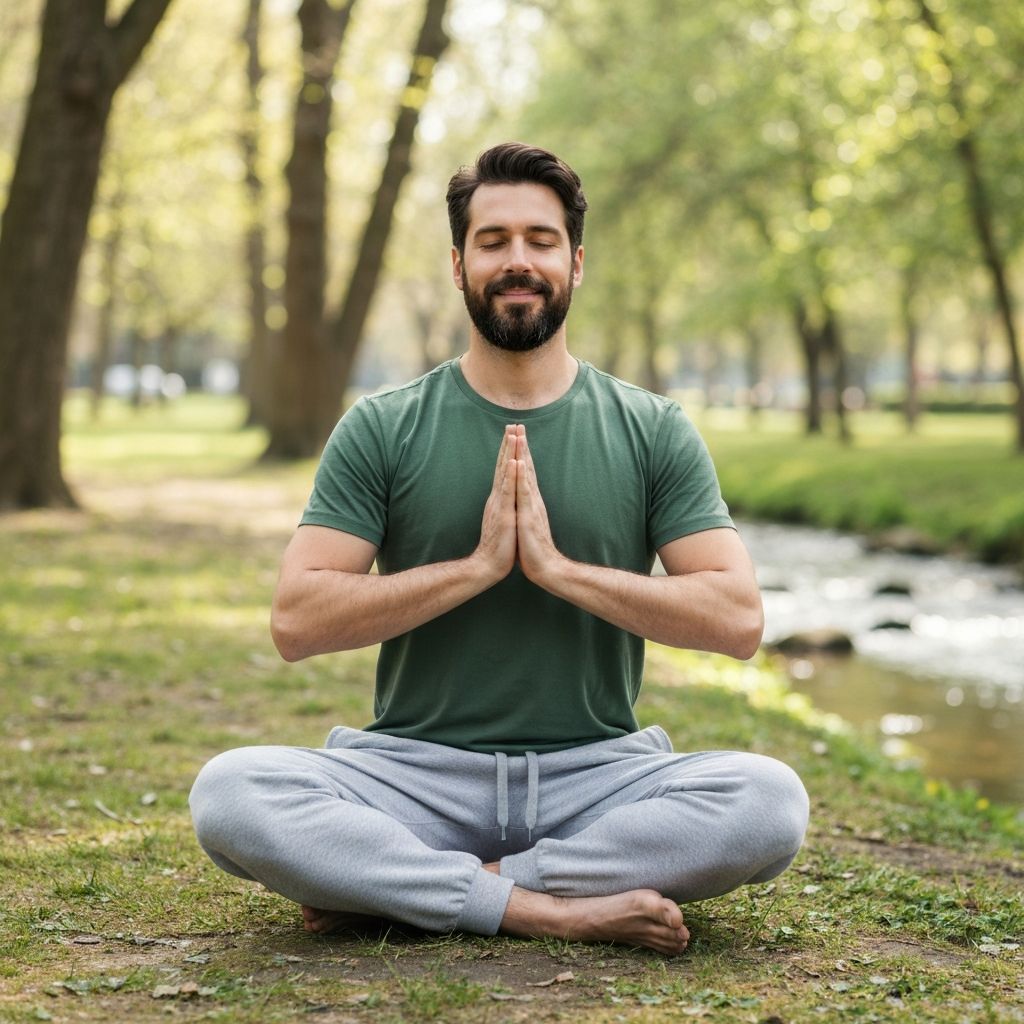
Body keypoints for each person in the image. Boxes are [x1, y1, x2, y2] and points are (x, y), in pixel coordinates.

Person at [189, 142, 809, 956]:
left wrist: (558, 571)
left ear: (576, 262)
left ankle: (414, 887)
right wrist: (476, 569)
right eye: (493, 241)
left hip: (599, 777)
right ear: (458, 265)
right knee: (230, 792)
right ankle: (546, 906)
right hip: (413, 775)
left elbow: (736, 620)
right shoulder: (382, 426)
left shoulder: (653, 429)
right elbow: (298, 620)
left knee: (769, 801)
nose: (518, 261)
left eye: (540, 240)